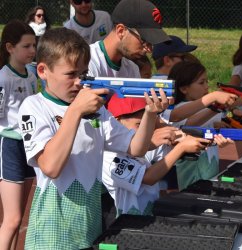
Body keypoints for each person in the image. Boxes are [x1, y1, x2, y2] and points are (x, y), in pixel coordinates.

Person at [18, 27, 170, 249]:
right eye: (70, 74)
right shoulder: (34, 106)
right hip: (51, 233)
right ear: (43, 70)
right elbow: (51, 166)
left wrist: (150, 113)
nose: (79, 82)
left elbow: (136, 147)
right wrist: (75, 111)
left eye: (83, 74)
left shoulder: (97, 111)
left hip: (90, 228)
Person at [103, 95, 210, 215]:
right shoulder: (107, 156)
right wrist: (181, 147)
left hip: (151, 213)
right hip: (130, 220)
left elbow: (178, 147)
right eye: (139, 125)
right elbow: (148, 178)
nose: (145, 132)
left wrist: (208, 140)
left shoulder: (144, 146)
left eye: (148, 126)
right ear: (117, 122)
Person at [166, 61, 235, 190]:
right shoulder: (180, 109)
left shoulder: (203, 110)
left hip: (209, 171)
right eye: (201, 82)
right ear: (183, 88)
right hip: (192, 177)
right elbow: (189, 124)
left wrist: (216, 128)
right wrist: (214, 103)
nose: (206, 86)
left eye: (207, 82)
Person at [0, 20, 37, 250]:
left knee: (20, 216)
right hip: (10, 147)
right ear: (10, 48)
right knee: (12, 220)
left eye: (34, 45)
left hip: (28, 145)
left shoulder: (32, 76)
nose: (32, 51)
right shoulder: (3, 78)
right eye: (26, 46)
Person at [88, 0, 170, 79]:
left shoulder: (132, 69)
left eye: (151, 43)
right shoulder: (87, 61)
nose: (149, 50)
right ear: (121, 31)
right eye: (144, 41)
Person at [25, 6, 50, 78]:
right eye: (39, 15)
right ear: (33, 16)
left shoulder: (48, 31)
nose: (41, 17)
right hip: (30, 62)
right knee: (30, 85)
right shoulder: (27, 30)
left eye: (43, 15)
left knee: (47, 86)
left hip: (44, 63)